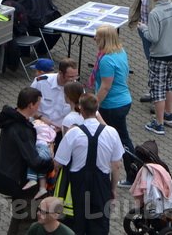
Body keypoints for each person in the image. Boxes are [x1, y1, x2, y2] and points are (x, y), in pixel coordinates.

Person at [52, 94, 124, 234]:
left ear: (81, 110)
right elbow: (116, 165)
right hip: (101, 183)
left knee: (77, 222)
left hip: (78, 184)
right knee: (100, 222)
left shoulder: (73, 133)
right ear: (97, 109)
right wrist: (113, 188)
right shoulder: (111, 132)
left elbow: (58, 163)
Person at [0, 87, 55, 235]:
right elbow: (34, 161)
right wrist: (51, 161)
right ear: (31, 105)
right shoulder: (21, 129)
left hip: (9, 177)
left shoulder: (11, 120)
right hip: (22, 182)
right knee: (28, 220)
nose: (39, 107)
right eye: (38, 104)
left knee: (18, 217)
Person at [138, 0, 172, 135]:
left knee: (157, 89)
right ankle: (169, 114)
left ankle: (158, 124)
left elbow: (153, 37)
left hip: (160, 55)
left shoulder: (155, 13)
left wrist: (144, 28)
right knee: (169, 83)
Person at [91, 25, 133, 152]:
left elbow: (105, 87)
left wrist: (94, 104)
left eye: (97, 37)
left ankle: (131, 164)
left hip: (112, 106)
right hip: (123, 100)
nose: (94, 38)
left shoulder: (106, 60)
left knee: (120, 138)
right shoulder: (120, 51)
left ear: (104, 39)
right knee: (120, 136)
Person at [31, 58, 80, 130]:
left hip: (61, 130)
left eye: (76, 76)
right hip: (38, 126)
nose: (74, 80)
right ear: (60, 73)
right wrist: (40, 117)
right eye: (70, 77)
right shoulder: (41, 82)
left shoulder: (76, 88)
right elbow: (27, 105)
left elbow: (81, 112)